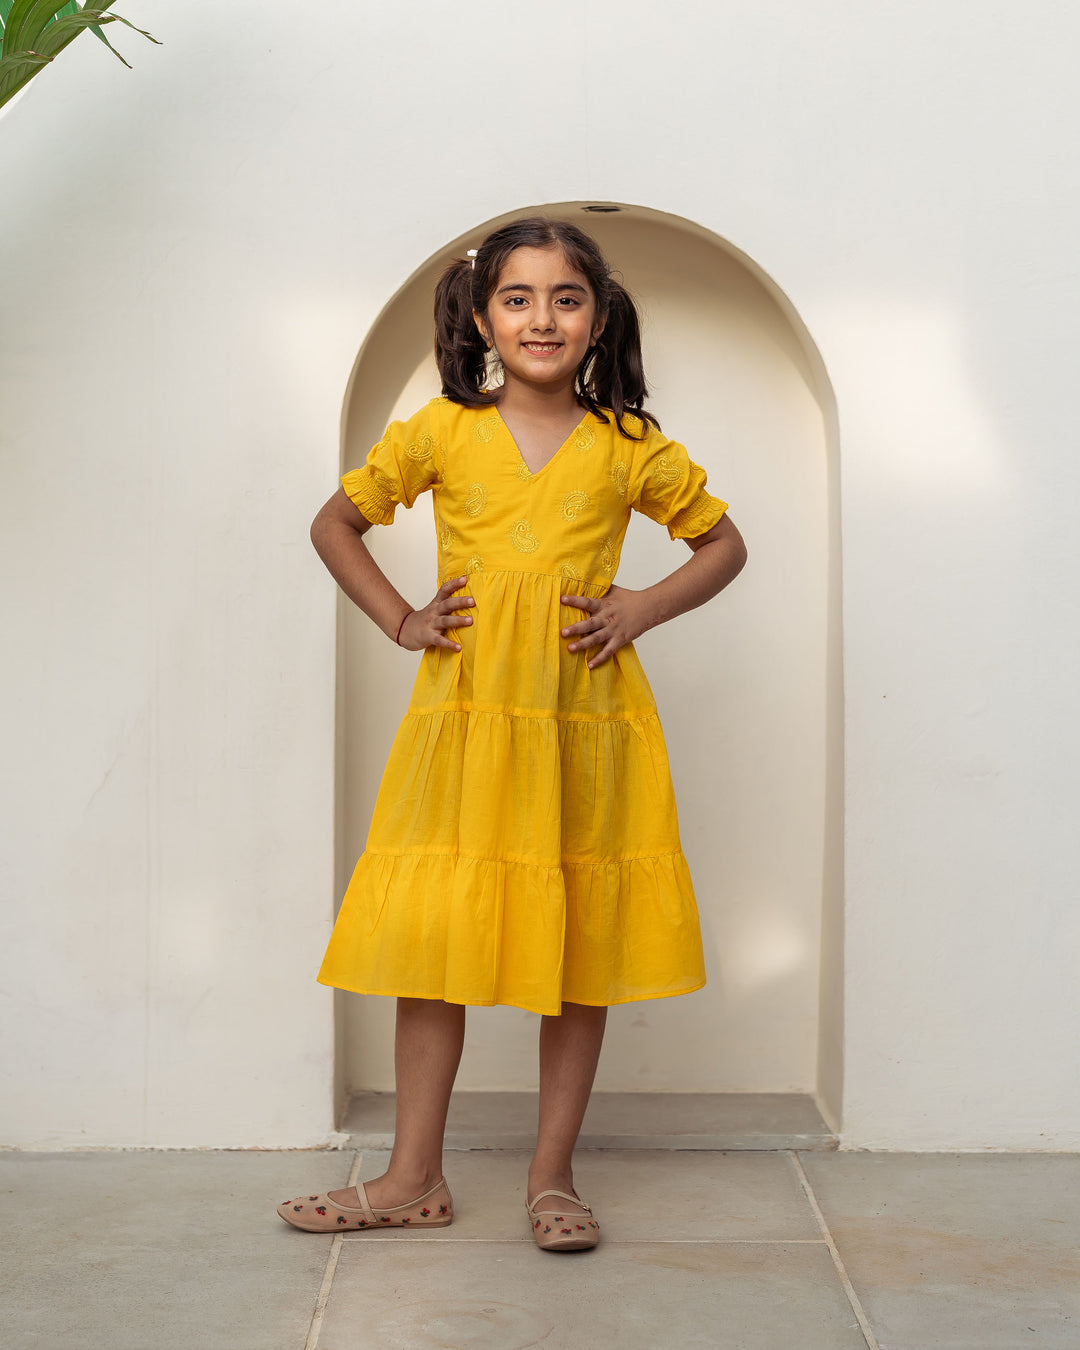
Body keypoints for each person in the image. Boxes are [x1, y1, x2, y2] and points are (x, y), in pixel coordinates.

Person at [277, 216, 747, 1251]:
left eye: (566, 298)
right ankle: (412, 1176)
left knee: (576, 946)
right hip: (466, 722)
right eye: (519, 298)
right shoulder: (442, 429)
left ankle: (553, 1180)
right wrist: (402, 618)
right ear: (484, 318)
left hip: (584, 724)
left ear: (598, 318)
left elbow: (723, 545)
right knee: (432, 939)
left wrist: (642, 607)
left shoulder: (630, 446)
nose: (543, 318)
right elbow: (334, 522)